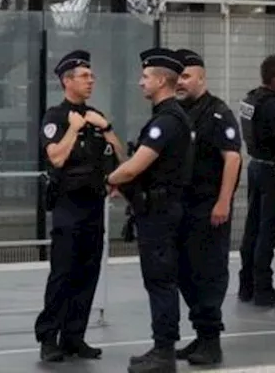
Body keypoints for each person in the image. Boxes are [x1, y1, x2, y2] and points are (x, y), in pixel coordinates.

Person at [34, 50, 124, 362]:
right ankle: (49, 337)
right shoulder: (55, 117)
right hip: (67, 206)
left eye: (92, 76)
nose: (91, 81)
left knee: (88, 271)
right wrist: (74, 128)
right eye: (84, 76)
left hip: (92, 205)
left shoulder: (96, 116)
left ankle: (75, 336)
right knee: (63, 273)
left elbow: (122, 156)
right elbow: (56, 157)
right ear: (66, 81)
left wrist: (107, 126)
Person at [109, 48, 194, 373]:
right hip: (157, 210)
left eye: (145, 77)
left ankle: (164, 353)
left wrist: (110, 179)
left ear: (161, 80)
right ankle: (161, 347)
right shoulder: (167, 117)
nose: (140, 82)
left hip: (160, 213)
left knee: (160, 281)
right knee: (158, 280)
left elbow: (135, 167)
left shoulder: (168, 121)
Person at [173, 49, 242, 366]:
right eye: (177, 77)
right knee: (185, 273)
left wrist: (224, 201)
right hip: (183, 207)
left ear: (201, 77)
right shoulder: (176, 112)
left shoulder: (218, 113)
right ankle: (201, 334)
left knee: (209, 274)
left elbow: (233, 157)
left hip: (209, 207)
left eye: (186, 76)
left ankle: (211, 341)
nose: (180, 82)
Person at [237, 53, 275, 306]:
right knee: (268, 230)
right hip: (273, 172)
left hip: (254, 167)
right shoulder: (274, 105)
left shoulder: (250, 99)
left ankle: (246, 285)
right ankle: (263, 288)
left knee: (252, 227)